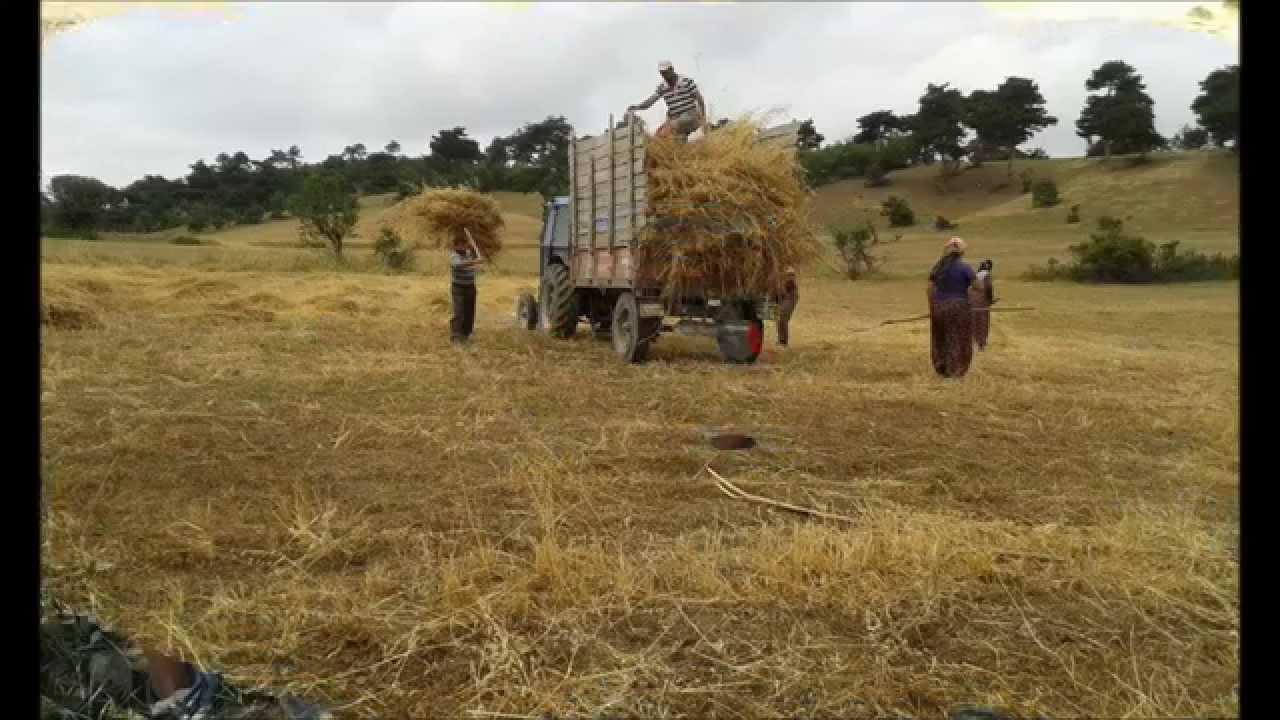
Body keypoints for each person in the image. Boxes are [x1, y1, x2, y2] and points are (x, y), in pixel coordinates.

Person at [927, 237, 977, 378]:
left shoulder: (938, 267)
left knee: (940, 336)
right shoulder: (965, 267)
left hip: (938, 307)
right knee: (957, 337)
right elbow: (977, 286)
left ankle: (941, 367)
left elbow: (930, 288)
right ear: (962, 252)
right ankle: (955, 370)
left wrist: (934, 305)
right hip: (958, 308)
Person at [627, 60, 709, 143]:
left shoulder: (686, 81)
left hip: (690, 115)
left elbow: (700, 100)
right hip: (674, 119)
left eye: (666, 72)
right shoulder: (662, 87)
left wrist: (703, 120)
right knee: (659, 136)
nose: (664, 75)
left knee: (669, 129)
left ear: (672, 69)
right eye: (662, 73)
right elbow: (649, 102)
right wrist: (637, 107)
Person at [448, 234, 484, 345]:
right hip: (458, 287)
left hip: (470, 287)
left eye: (464, 245)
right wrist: (475, 262)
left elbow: (476, 267)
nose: (462, 247)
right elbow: (458, 265)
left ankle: (466, 334)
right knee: (459, 312)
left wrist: (477, 262)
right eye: (459, 245)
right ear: (455, 247)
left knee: (469, 311)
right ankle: (456, 336)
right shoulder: (454, 256)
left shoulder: (469, 254)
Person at [971, 258, 995, 351]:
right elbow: (989, 288)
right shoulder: (987, 275)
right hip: (982, 302)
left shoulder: (975, 275)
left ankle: (973, 342)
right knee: (983, 322)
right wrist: (990, 300)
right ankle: (981, 344)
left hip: (971, 301)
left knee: (974, 321)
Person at [773, 266, 799, 347]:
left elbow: (789, 284)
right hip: (782, 298)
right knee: (779, 319)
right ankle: (781, 340)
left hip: (790, 297)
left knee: (783, 318)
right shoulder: (778, 274)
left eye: (791, 275)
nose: (790, 277)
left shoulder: (789, 279)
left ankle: (784, 342)